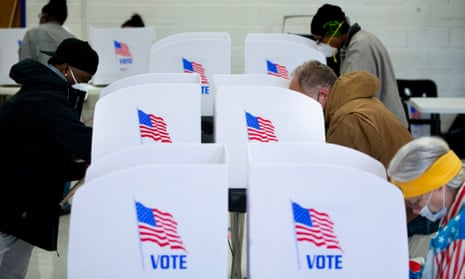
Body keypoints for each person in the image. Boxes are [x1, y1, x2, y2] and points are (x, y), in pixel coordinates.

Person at [0, 38, 98, 279]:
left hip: (24, 198)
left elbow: (43, 155)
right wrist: (120, 141)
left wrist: (79, 169)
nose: (84, 85)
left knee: (12, 269)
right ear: (66, 68)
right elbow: (81, 140)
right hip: (13, 199)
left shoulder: (44, 92)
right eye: (84, 78)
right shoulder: (47, 98)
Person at [310, 3, 408, 128]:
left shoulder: (360, 47)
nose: (320, 45)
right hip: (383, 123)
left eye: (320, 40)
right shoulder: (357, 42)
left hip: (386, 128)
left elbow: (351, 95)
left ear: (334, 31)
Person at [388, 137, 465, 278]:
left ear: (439, 187)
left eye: (416, 202)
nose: (416, 211)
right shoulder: (455, 210)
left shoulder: (462, 225)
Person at [19, 0, 74, 65]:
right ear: (63, 20)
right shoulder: (72, 39)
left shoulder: (32, 33)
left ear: (45, 15)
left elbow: (24, 66)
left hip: (38, 75)